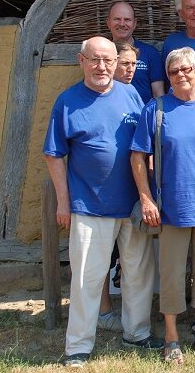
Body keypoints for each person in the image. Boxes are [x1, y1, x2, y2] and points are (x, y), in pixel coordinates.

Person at [43, 36, 162, 368]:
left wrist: (150, 193)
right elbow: (53, 155)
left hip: (133, 204)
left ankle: (136, 333)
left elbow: (146, 146)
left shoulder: (130, 94)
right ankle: (78, 346)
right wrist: (63, 202)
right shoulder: (68, 102)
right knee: (87, 278)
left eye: (108, 60)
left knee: (138, 273)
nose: (102, 67)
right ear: (81, 61)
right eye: (94, 60)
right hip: (90, 205)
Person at [130, 47, 195, 364]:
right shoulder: (157, 109)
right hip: (170, 208)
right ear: (168, 76)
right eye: (174, 71)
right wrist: (146, 197)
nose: (181, 75)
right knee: (172, 274)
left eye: (187, 69)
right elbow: (137, 156)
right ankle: (172, 337)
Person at [93, 41, 142, 335]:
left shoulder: (133, 94)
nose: (129, 69)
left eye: (133, 64)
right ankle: (103, 311)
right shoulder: (92, 95)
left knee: (131, 260)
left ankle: (133, 318)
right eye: (124, 63)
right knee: (102, 259)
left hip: (131, 193)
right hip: (99, 196)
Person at [106, 1, 164, 103]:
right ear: (108, 22)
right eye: (117, 19)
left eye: (127, 20)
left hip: (143, 112)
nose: (122, 24)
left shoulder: (150, 53)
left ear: (134, 23)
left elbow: (158, 95)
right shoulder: (101, 54)